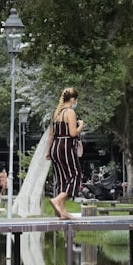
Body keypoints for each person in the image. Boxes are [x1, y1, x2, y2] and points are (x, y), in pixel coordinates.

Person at [44, 87, 85, 220]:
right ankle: (57, 200)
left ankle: (63, 212)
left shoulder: (55, 113)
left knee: (62, 178)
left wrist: (48, 151)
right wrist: (81, 126)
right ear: (72, 99)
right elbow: (73, 133)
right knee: (75, 175)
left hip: (55, 147)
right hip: (66, 147)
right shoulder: (70, 112)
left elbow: (51, 134)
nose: (75, 103)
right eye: (75, 100)